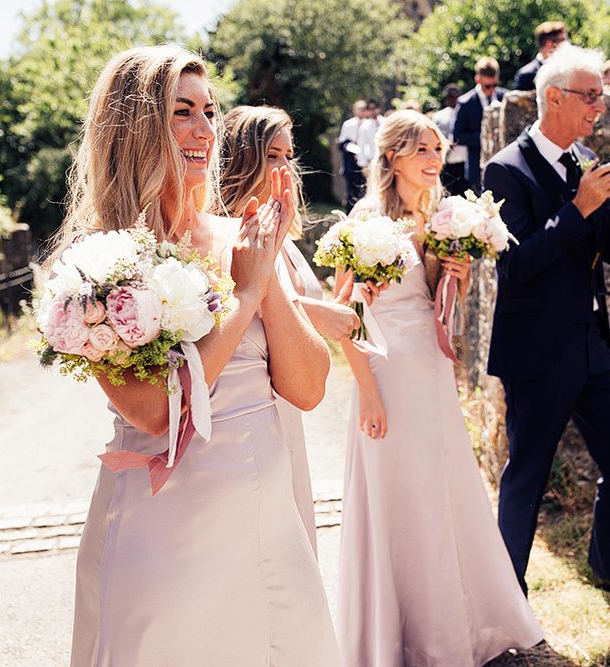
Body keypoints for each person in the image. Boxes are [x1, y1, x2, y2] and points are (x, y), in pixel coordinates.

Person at [60, 45, 341, 665]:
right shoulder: (95, 261)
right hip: (163, 530)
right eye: (181, 112)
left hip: (266, 520)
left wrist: (265, 274)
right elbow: (156, 414)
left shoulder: (242, 237)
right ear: (135, 127)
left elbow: (309, 387)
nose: (205, 132)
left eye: (209, 112)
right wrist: (245, 288)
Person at [337, 110, 543, 666]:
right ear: (394, 157)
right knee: (399, 495)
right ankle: (396, 632)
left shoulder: (442, 213)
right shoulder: (368, 217)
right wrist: (369, 392)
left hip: (428, 367)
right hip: (384, 370)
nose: (436, 160)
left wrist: (457, 271)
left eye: (438, 149)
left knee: (440, 489)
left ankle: (451, 622)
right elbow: (345, 313)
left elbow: (437, 301)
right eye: (423, 150)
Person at [484, 43, 610, 594]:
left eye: (602, 97)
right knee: (527, 478)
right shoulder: (504, 169)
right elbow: (514, 265)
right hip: (537, 352)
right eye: (590, 96)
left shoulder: (584, 165)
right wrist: (578, 209)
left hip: (594, 345)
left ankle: (605, 569)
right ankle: (506, 601)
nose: (599, 107)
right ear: (553, 98)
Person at [221, 104, 361, 554]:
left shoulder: (280, 229)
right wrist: (320, 316)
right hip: (250, 409)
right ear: (243, 160)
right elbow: (243, 297)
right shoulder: (227, 235)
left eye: (289, 155)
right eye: (273, 155)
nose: (287, 167)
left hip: (290, 406)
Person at [454, 56, 506, 192]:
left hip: (504, 163)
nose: (491, 90)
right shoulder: (465, 103)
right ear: (478, 79)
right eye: (487, 86)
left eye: (494, 85)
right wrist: (485, 137)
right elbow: (457, 136)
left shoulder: (505, 97)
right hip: (478, 168)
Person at [432, 83, 469, 195]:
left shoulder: (466, 114)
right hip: (446, 163)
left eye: (453, 96)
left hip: (464, 162)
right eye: (448, 96)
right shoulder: (439, 116)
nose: (451, 99)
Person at [514, 21, 568, 91]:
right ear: (550, 44)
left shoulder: (569, 70)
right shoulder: (526, 75)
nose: (567, 45)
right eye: (563, 40)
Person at [338, 99, 369, 212]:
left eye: (364, 109)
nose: (362, 111)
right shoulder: (348, 124)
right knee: (351, 192)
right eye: (359, 109)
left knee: (364, 191)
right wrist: (350, 147)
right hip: (351, 163)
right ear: (355, 110)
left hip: (365, 163)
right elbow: (341, 144)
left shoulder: (369, 125)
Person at [356, 100, 384, 182]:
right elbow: (361, 145)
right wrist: (363, 165)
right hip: (372, 161)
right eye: (369, 109)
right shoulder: (364, 126)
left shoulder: (385, 122)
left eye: (374, 108)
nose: (372, 111)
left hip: (385, 160)